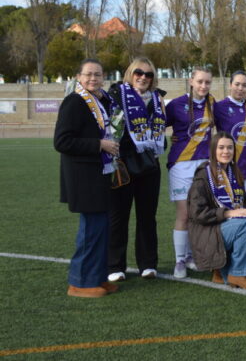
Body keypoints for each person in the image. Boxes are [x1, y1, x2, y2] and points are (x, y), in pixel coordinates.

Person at [54, 58, 119, 297]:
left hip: (100, 175)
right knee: (91, 230)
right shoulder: (74, 101)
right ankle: (79, 283)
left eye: (98, 75)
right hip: (83, 177)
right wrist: (99, 144)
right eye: (89, 74)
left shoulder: (101, 101)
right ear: (79, 77)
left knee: (101, 229)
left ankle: (97, 278)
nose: (93, 79)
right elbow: (61, 141)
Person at [106, 57, 166, 283]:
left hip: (150, 165)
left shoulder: (158, 99)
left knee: (147, 217)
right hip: (123, 164)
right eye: (138, 72)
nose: (143, 77)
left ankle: (148, 264)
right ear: (130, 73)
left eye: (148, 74)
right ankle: (115, 265)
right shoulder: (115, 95)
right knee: (118, 217)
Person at [187, 132, 246, 290]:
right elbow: (197, 214)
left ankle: (220, 270)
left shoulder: (235, 172)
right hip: (208, 233)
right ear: (213, 150)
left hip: (226, 228)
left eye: (230, 148)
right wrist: (227, 213)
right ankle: (238, 274)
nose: (226, 151)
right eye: (221, 148)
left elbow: (242, 206)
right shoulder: (203, 175)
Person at [165, 67, 215, 278]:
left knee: (199, 213)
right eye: (200, 81)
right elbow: (158, 124)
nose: (203, 86)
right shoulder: (176, 105)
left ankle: (192, 256)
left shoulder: (213, 104)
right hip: (180, 164)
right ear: (191, 81)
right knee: (184, 214)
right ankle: (179, 260)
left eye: (207, 82)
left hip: (204, 165)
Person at [214, 71, 246, 189]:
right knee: (229, 207)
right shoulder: (219, 107)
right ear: (230, 85)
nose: (240, 88)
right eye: (237, 84)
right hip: (227, 166)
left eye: (244, 85)